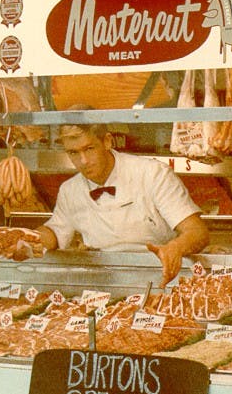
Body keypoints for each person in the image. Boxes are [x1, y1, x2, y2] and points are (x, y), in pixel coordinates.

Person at [37, 110, 209, 284]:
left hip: (165, 279)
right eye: (73, 153)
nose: (83, 161)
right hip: (105, 284)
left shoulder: (152, 173)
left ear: (107, 141)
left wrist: (175, 248)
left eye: (89, 149)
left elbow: (197, 232)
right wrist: (26, 239)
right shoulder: (70, 190)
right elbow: (54, 232)